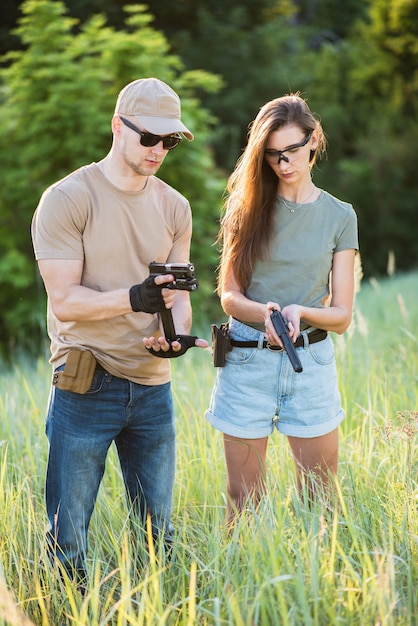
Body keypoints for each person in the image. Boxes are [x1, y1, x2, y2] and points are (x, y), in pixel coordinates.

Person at [31, 77, 208, 587]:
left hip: (153, 388)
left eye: (169, 141)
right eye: (148, 137)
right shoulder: (67, 198)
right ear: (117, 126)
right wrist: (134, 297)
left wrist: (173, 337)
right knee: (68, 540)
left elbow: (177, 301)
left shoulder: (175, 207)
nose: (158, 150)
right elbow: (64, 301)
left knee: (159, 533)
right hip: (87, 382)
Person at [205, 93, 359, 527]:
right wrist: (264, 312)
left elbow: (342, 315)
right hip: (247, 358)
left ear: (313, 141)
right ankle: (243, 589)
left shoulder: (339, 216)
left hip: (309, 361)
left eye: (292, 151)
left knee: (320, 502)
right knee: (244, 501)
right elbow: (229, 296)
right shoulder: (246, 207)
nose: (283, 163)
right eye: (272, 155)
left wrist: (299, 312)